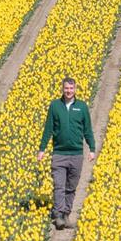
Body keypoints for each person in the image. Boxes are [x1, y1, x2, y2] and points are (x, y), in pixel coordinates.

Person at [37, 77, 96, 230]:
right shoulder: (55, 106)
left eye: (71, 88)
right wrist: (42, 149)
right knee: (59, 185)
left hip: (76, 154)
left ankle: (66, 215)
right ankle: (58, 215)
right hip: (59, 153)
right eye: (66, 88)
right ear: (62, 89)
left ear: (75, 89)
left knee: (71, 187)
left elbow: (87, 129)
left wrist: (92, 148)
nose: (68, 91)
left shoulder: (82, 107)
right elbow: (48, 128)